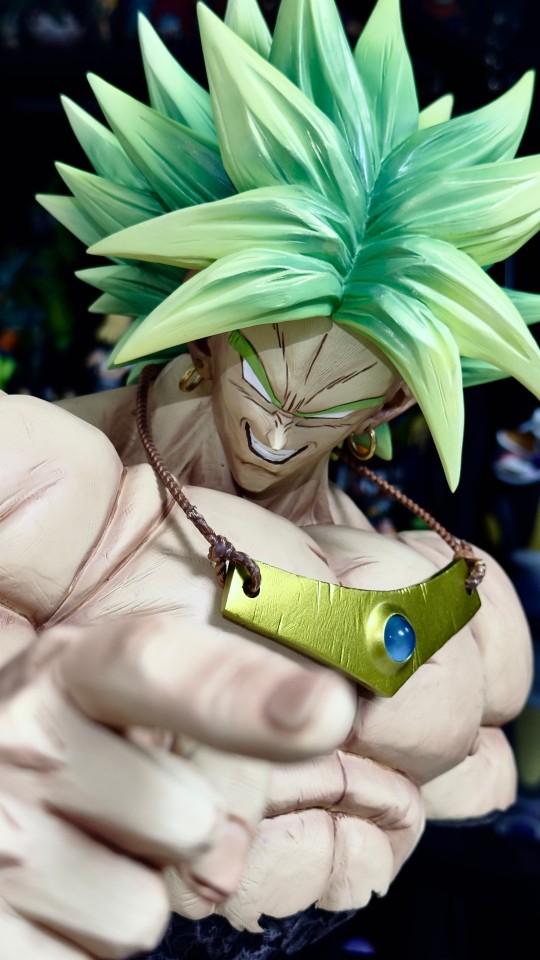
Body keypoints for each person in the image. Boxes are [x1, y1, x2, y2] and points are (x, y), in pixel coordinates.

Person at [2, 0, 540, 957]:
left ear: (389, 407)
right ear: (204, 332)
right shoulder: (54, 472)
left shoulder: (444, 579)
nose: (283, 434)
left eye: (336, 405)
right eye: (263, 382)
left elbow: (477, 779)